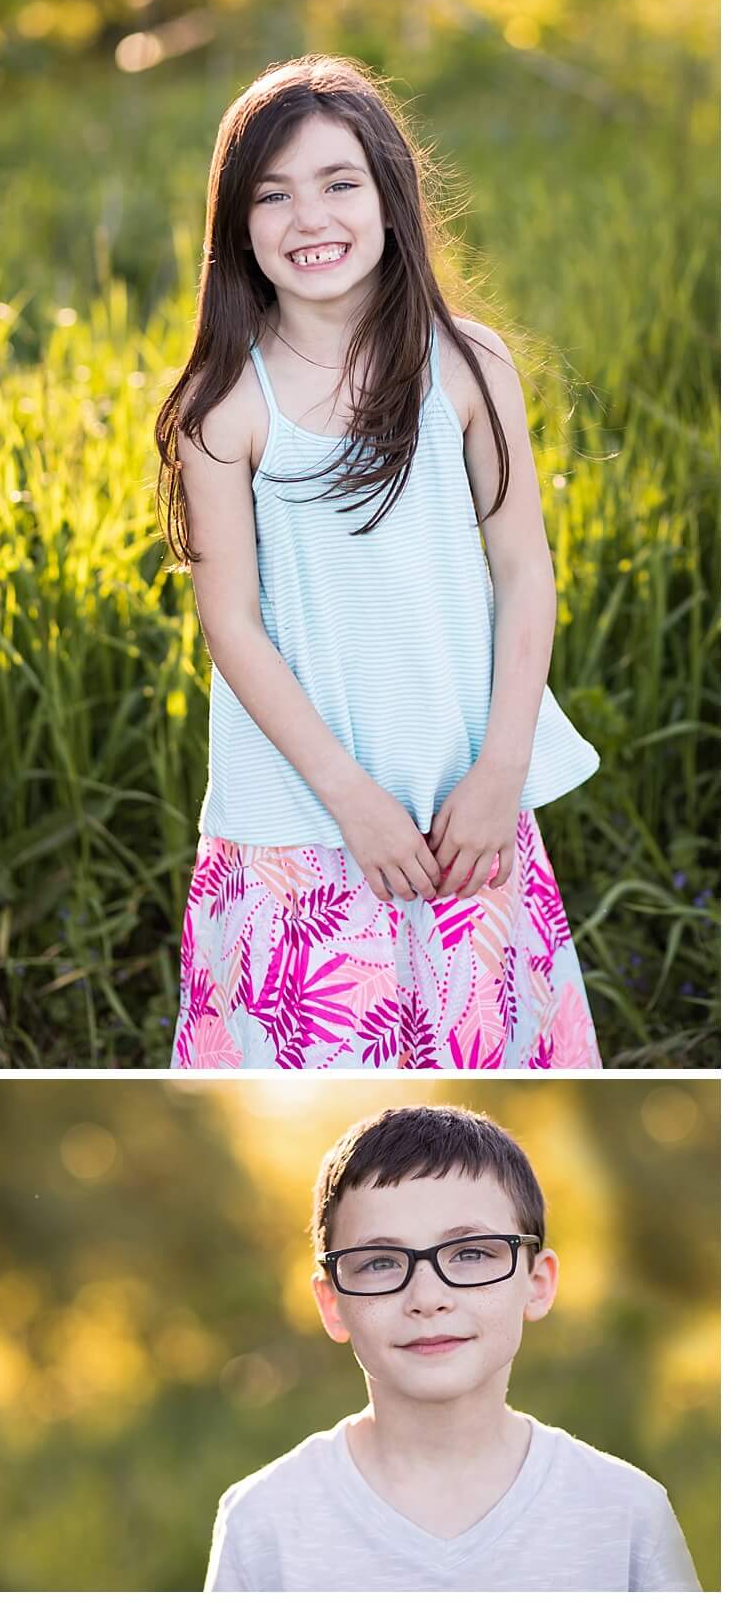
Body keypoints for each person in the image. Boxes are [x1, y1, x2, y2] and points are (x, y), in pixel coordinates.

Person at [155, 55, 599, 1068]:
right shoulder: (225, 406)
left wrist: (499, 771)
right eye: (271, 195)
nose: (308, 218)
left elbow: (524, 571)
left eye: (336, 183)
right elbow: (231, 622)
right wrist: (348, 798)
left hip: (460, 801)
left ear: (390, 199)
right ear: (235, 228)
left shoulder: (468, 363)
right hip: (300, 815)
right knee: (318, 1062)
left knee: (473, 1056)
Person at [206, 1104, 699, 1591]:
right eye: (380, 1262)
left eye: (470, 1254)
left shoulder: (626, 1514)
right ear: (332, 1303)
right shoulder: (262, 1523)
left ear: (538, 1282)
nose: (427, 1299)